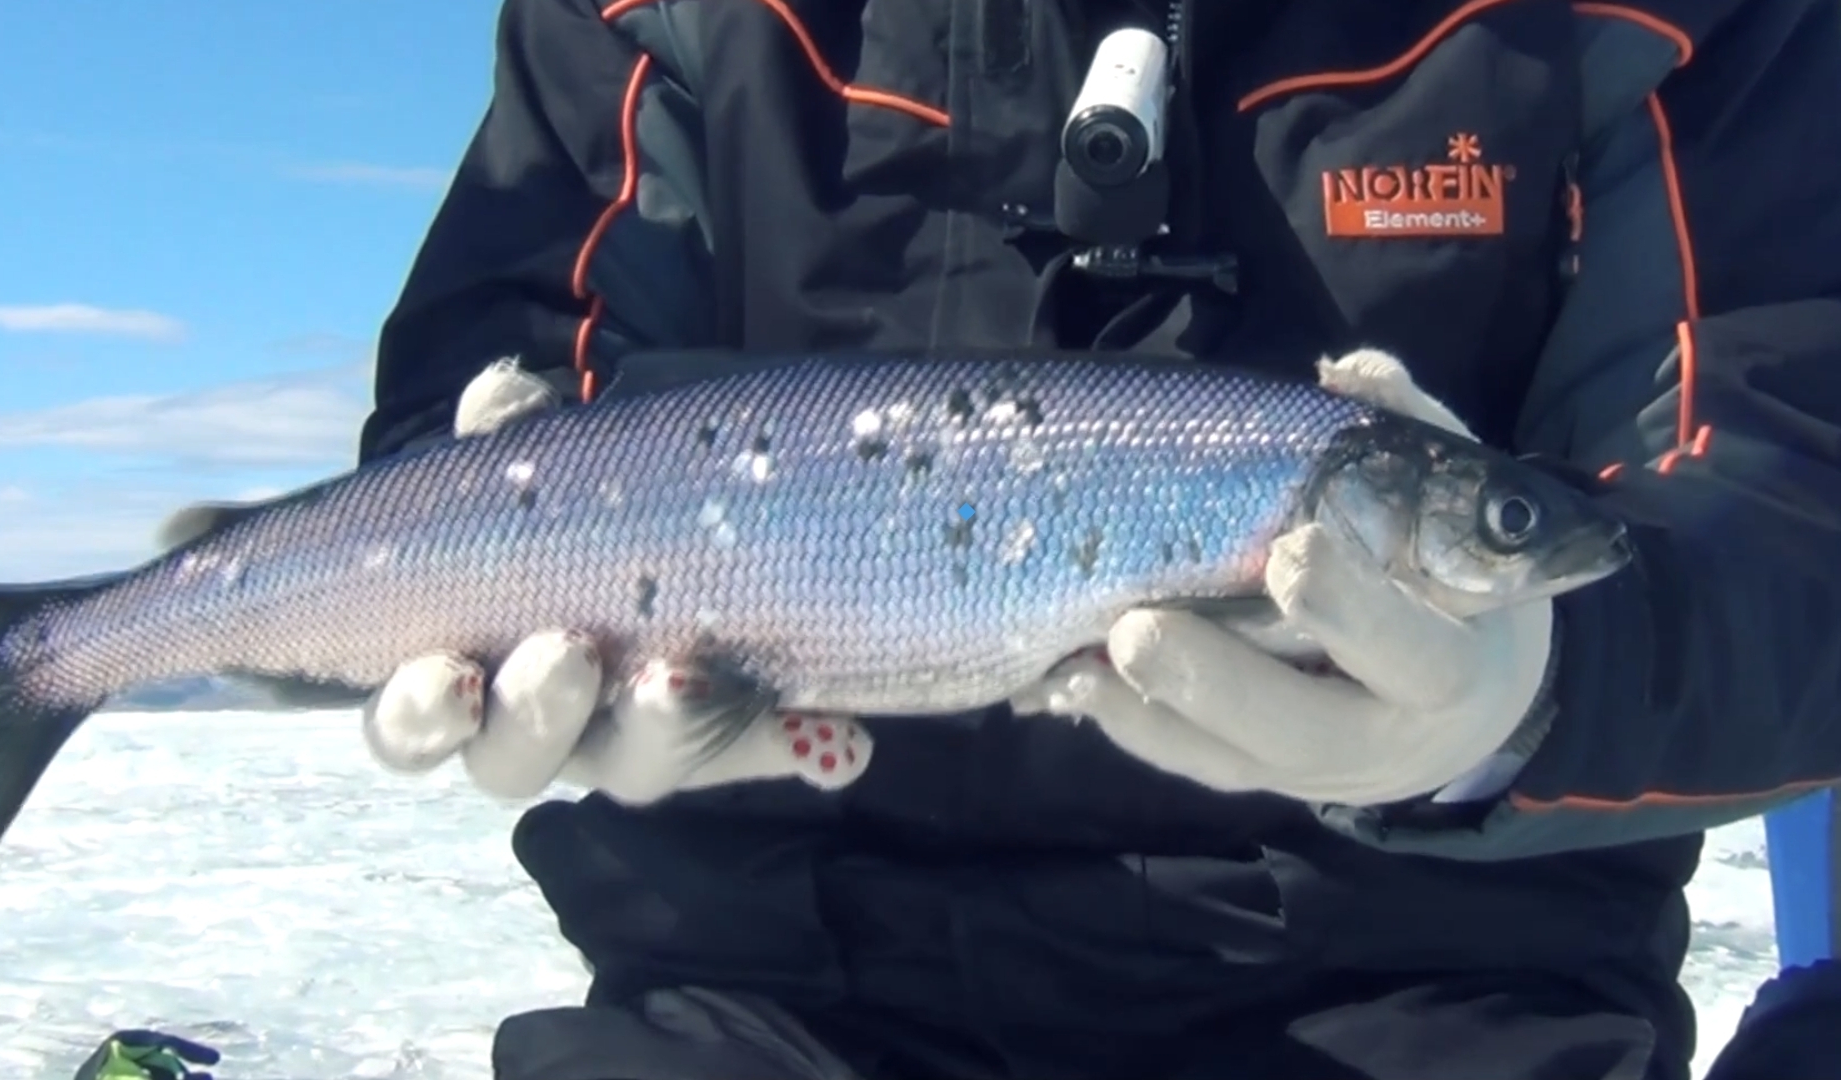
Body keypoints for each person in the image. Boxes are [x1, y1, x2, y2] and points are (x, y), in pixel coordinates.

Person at [351, 1, 1841, 1077]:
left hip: (1443, 994)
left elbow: (1791, 495)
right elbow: (492, 395)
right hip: (762, 985)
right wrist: (497, 622)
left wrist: (1535, 695)